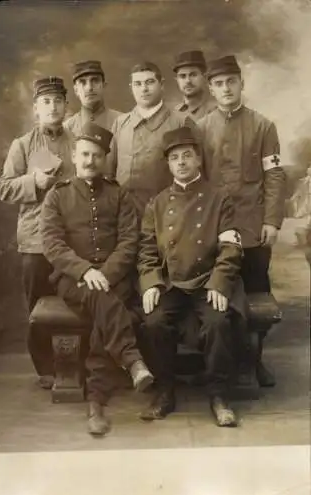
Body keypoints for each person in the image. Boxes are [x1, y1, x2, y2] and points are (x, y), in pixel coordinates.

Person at [40, 123, 153, 436]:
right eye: (85, 154)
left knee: (105, 302)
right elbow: (52, 243)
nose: (90, 161)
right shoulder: (57, 196)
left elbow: (130, 241)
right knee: (103, 298)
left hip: (114, 277)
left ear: (105, 160)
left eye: (97, 155)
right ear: (74, 157)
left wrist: (105, 273)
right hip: (73, 278)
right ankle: (132, 361)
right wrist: (86, 271)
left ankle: (96, 403)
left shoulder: (120, 194)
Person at [138, 126, 245, 427]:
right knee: (153, 321)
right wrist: (151, 282)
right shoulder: (156, 204)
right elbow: (146, 250)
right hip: (172, 281)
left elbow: (230, 247)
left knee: (218, 322)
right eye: (175, 158)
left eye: (187, 155)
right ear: (168, 164)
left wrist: (221, 282)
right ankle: (165, 390)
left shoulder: (219, 199)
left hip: (207, 280)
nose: (181, 162)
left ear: (198, 160)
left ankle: (219, 395)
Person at [197, 55, 286, 386]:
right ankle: (224, 363)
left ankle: (255, 360)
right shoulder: (203, 128)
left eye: (230, 82)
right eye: (218, 84)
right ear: (211, 89)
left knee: (257, 294)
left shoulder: (263, 126)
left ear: (241, 83)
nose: (225, 89)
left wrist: (273, 221)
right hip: (216, 229)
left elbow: (274, 176)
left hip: (253, 228)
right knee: (220, 296)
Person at [0, 76, 74, 388]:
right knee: (38, 305)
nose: (53, 107)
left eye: (58, 101)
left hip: (73, 239)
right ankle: (45, 368)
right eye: (46, 102)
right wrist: (33, 182)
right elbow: (4, 188)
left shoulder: (78, 140)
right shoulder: (22, 145)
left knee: (73, 302)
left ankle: (74, 363)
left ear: (67, 106)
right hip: (35, 240)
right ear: (36, 109)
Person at [108, 61, 195, 218]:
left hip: (168, 214)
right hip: (124, 215)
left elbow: (194, 173)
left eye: (149, 82)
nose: (144, 89)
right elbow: (109, 172)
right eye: (138, 84)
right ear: (131, 88)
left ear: (161, 85)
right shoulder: (120, 123)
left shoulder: (181, 122)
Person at [64, 60, 121, 136]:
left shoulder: (123, 122)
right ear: (76, 90)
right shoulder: (67, 128)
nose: (89, 88)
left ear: (104, 85)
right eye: (82, 82)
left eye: (95, 81)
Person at [173, 50, 214, 121]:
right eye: (182, 76)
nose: (188, 81)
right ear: (177, 80)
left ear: (204, 77)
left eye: (193, 75)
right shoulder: (173, 113)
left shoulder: (216, 111)